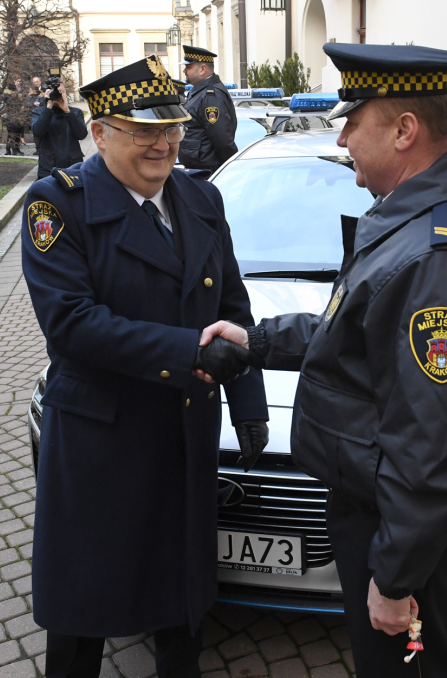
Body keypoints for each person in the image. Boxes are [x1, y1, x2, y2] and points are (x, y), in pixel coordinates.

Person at [199, 43, 447, 677]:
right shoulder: (414, 220)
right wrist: (259, 340)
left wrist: (396, 576)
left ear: (404, 130)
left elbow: (436, 445)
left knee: (403, 669)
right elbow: (360, 333)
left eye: (355, 119)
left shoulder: (439, 262)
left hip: (391, 523)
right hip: (380, 506)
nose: (343, 135)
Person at [21, 54, 269, 678]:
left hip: (183, 433)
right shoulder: (59, 206)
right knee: (85, 607)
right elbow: (72, 325)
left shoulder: (201, 198)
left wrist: (248, 406)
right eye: (144, 131)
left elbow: (233, 306)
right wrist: (188, 350)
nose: (164, 145)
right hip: (101, 441)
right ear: (99, 132)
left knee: (179, 598)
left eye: (173, 128)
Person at [178, 46, 237, 173]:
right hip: (199, 169)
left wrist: (230, 168)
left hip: (208, 171)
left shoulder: (211, 95)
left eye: (188, 67)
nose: (184, 71)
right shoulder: (200, 91)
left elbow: (221, 138)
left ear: (202, 69)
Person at [31, 77, 87, 178]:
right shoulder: (39, 112)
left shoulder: (75, 112)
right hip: (48, 167)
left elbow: (81, 134)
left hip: (72, 166)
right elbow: (37, 132)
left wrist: (67, 112)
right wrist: (49, 107)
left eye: (61, 92)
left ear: (66, 93)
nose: (59, 95)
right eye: (56, 92)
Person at [2, 79, 25, 155]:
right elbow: (16, 106)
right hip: (13, 117)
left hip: (10, 117)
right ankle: (15, 150)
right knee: (14, 133)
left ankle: (8, 150)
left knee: (11, 134)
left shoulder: (6, 97)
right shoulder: (12, 97)